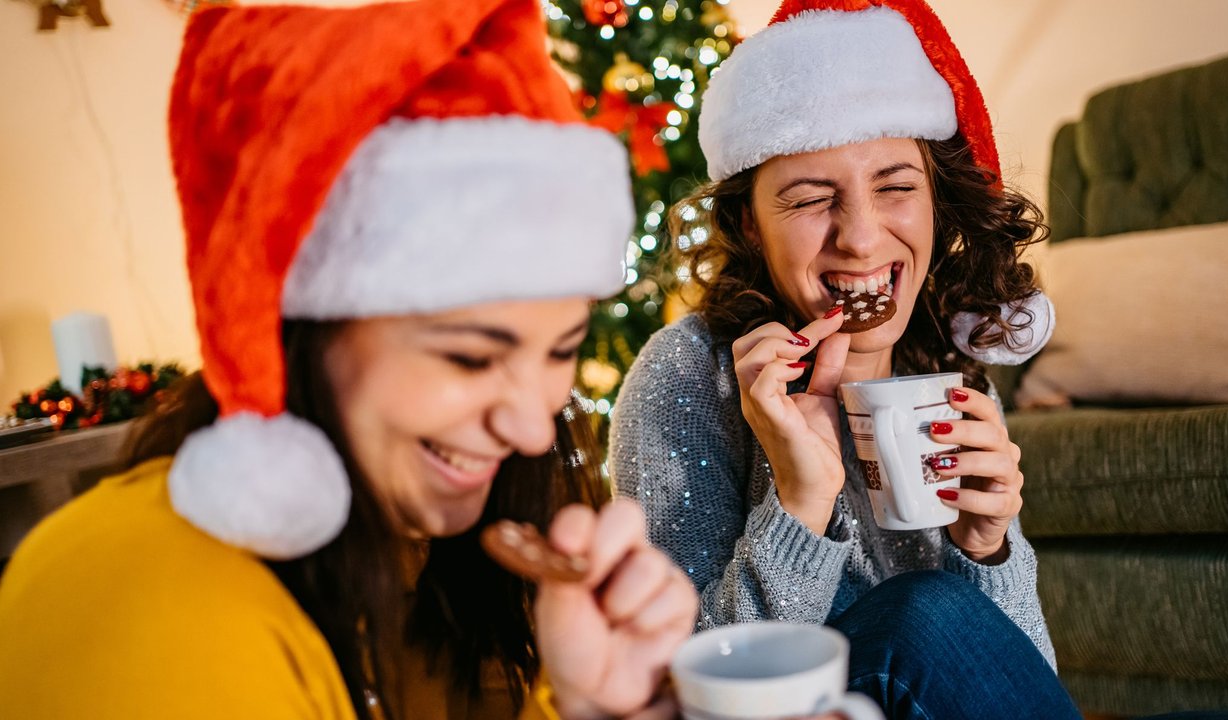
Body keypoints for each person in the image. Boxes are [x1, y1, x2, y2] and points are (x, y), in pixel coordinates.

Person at [0, 2, 695, 718]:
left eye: (562, 350)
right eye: (468, 358)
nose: (532, 430)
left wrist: (589, 704)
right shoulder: (156, 609)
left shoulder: (413, 551)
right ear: (300, 335)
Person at [610, 0, 1078, 717]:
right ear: (750, 226)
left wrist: (988, 551)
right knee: (923, 610)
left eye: (895, 187)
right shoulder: (686, 375)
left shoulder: (940, 361)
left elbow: (1015, 689)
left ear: (936, 202)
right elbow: (675, 690)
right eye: (809, 199)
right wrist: (799, 502)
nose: (861, 239)